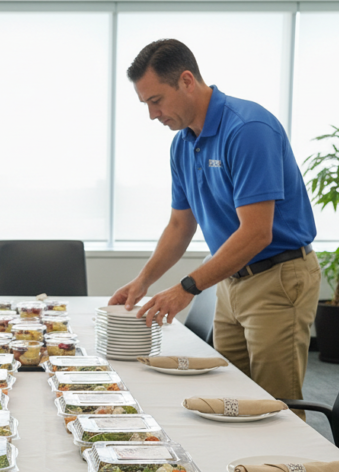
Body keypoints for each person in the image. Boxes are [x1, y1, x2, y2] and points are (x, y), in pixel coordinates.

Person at [109, 39, 320, 412]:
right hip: (231, 281)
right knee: (230, 401)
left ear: (187, 81)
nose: (152, 115)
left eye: (156, 100)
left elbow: (257, 232)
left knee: (275, 407)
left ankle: (280, 469)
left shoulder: (247, 129)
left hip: (277, 276)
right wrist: (143, 282)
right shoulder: (182, 144)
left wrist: (187, 287)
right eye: (145, 104)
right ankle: (242, 470)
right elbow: (179, 226)